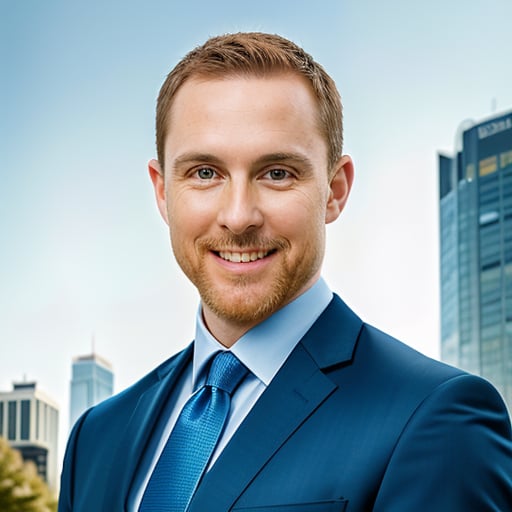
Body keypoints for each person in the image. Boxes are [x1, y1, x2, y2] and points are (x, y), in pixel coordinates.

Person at [58, 32, 512, 512]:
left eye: (276, 173)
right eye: (205, 173)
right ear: (163, 191)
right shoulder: (95, 437)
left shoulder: (438, 419)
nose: (238, 215)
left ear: (335, 190)